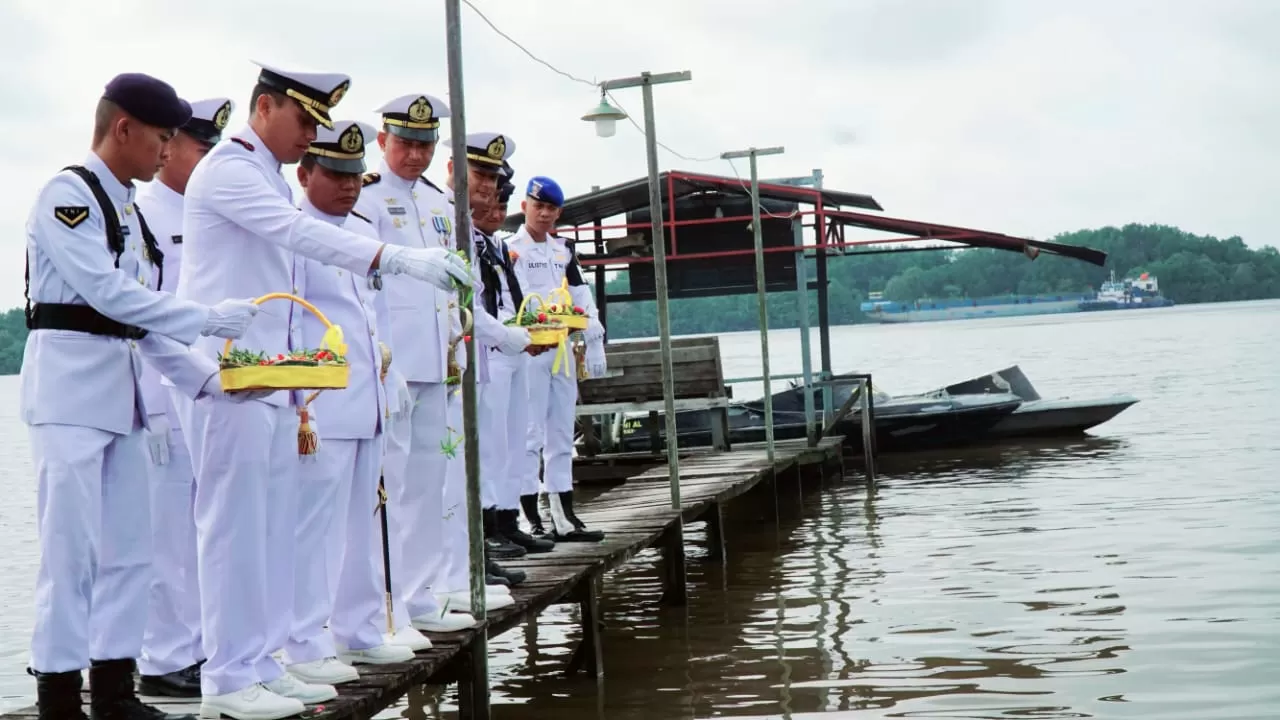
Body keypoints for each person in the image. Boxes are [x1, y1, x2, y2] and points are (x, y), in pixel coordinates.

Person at [176, 64, 471, 720]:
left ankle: (257, 662)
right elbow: (296, 235)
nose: (311, 133)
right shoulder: (229, 169)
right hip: (227, 377)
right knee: (230, 530)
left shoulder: (263, 174)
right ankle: (225, 679)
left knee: (263, 530)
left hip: (271, 380)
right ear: (264, 108)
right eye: (304, 120)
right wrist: (390, 257)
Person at [20, 73, 265, 720]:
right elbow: (108, 295)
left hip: (124, 400)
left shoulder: (131, 212)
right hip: (69, 402)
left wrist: (212, 383)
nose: (167, 149)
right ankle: (58, 697)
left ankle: (115, 689)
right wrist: (207, 318)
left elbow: (140, 325)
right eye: (161, 136)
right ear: (123, 128)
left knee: (131, 553)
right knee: (71, 555)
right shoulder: (68, 196)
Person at [280, 119, 422, 689]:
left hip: (366, 398)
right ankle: (303, 640)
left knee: (364, 522)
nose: (347, 186)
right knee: (312, 529)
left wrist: (390, 373)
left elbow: (367, 317)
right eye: (334, 174)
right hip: (318, 403)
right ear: (305, 172)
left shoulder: (361, 231)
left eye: (354, 176)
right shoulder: (289, 232)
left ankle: (359, 628)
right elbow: (289, 319)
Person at [352, 94, 499, 634]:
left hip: (438, 361)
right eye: (406, 143)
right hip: (392, 361)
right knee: (388, 485)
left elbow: (455, 284)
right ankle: (384, 602)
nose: (415, 155)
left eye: (425, 144)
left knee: (429, 480)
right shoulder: (364, 201)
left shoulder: (438, 205)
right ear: (384, 142)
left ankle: (422, 593)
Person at [135, 95, 234, 699]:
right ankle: (166, 657)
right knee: (169, 529)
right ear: (168, 146)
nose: (211, 158)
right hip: (159, 390)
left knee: (208, 525)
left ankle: (204, 647)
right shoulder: (145, 212)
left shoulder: (208, 210)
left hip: (211, 388)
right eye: (203, 146)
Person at [434, 134, 542, 609]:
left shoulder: (487, 241)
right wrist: (507, 336)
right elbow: (468, 302)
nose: (489, 193)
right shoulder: (448, 222)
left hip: (484, 350)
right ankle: (476, 548)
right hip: (466, 354)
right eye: (480, 177)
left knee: (497, 448)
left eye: (494, 184)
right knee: (468, 460)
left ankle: (484, 543)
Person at [509, 175, 608, 542]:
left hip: (562, 350)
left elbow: (580, 294)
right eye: (539, 206)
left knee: (562, 433)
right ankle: (528, 517)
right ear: (525, 207)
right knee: (530, 433)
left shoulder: (563, 249)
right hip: (531, 349)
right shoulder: (511, 249)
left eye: (551, 208)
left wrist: (593, 332)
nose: (545, 213)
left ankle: (564, 515)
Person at [474, 163, 554, 556]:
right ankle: (488, 525)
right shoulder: (468, 243)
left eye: (500, 204)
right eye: (489, 203)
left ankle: (508, 518)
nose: (495, 211)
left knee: (513, 440)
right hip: (489, 351)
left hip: (515, 348)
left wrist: (531, 333)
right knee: (489, 443)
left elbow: (514, 299)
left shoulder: (501, 246)